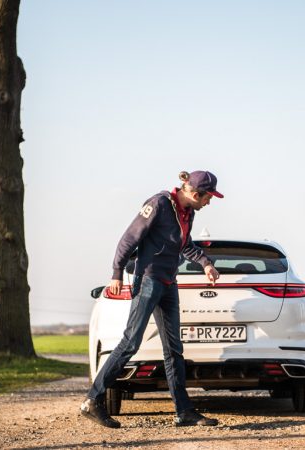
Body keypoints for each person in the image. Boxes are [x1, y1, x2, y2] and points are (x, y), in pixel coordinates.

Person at [81, 170, 224, 428]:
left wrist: (205, 263)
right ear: (194, 193)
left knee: (174, 349)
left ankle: (184, 412)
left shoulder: (187, 213)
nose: (209, 202)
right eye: (208, 197)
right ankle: (93, 399)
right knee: (130, 342)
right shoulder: (158, 204)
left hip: (169, 283)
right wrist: (116, 274)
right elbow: (128, 239)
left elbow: (185, 244)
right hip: (148, 280)